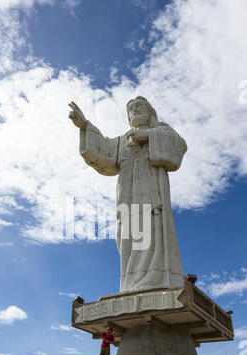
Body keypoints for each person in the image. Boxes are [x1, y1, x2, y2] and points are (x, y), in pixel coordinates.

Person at [68, 97, 187, 293]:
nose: (134, 110)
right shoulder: (124, 141)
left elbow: (178, 146)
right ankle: (132, 284)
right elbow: (102, 152)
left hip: (150, 198)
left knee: (150, 233)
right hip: (126, 199)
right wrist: (84, 125)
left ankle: (153, 280)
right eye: (130, 109)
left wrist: (148, 136)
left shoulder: (161, 131)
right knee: (126, 237)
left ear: (150, 111)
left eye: (138, 106)